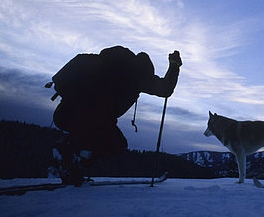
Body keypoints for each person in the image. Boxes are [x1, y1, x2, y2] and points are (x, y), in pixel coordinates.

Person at [49, 45, 182, 185]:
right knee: (115, 144)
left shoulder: (95, 61)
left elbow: (58, 80)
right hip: (96, 120)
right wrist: (174, 65)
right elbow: (165, 89)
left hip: (64, 114)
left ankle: (70, 162)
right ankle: (72, 157)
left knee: (89, 138)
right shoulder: (136, 75)